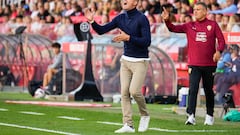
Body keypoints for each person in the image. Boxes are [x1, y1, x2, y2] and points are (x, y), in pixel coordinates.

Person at [84, 0, 151, 133]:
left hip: (140, 61)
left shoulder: (142, 19)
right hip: (125, 61)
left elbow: (146, 41)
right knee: (124, 93)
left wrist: (128, 38)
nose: (124, 1)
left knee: (134, 91)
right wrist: (92, 21)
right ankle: (128, 124)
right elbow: (102, 31)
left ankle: (145, 115)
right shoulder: (120, 18)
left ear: (135, 3)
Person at [161, 2, 226, 125]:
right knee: (193, 89)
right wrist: (167, 21)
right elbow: (173, 28)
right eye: (194, 9)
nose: (195, 11)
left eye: (198, 9)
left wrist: (219, 51)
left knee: (208, 90)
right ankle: (191, 116)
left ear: (205, 11)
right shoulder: (189, 25)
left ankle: (209, 115)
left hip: (209, 64)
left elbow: (222, 41)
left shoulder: (213, 25)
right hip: (194, 64)